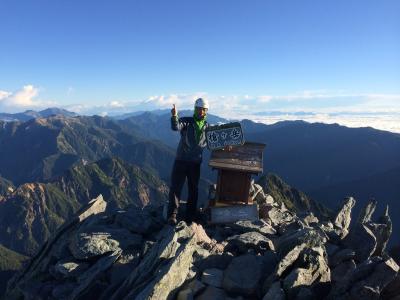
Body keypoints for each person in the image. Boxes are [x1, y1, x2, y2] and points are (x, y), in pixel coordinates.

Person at [167, 98, 209, 225]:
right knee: (176, 187)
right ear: (195, 109)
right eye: (198, 109)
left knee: (193, 189)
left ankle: (190, 217)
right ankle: (172, 215)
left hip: (195, 163)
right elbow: (176, 127)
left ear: (206, 111)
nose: (200, 111)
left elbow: (214, 142)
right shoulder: (187, 121)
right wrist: (174, 116)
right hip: (181, 160)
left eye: (203, 109)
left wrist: (225, 147)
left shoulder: (208, 127)